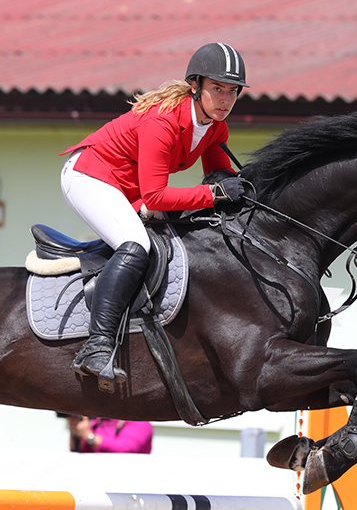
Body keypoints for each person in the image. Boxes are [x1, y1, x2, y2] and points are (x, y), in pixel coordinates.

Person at [60, 42, 248, 388]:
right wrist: (216, 194)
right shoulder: (163, 121)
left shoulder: (216, 128)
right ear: (196, 86)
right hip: (90, 176)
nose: (225, 99)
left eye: (233, 91)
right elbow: (157, 195)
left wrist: (250, 187)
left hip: (126, 187)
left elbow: (221, 180)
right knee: (135, 244)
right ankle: (97, 347)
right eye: (217, 88)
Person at [67, 415, 153, 454]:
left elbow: (125, 450)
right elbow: (82, 452)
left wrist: (89, 436)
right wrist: (75, 431)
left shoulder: (140, 421)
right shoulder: (98, 420)